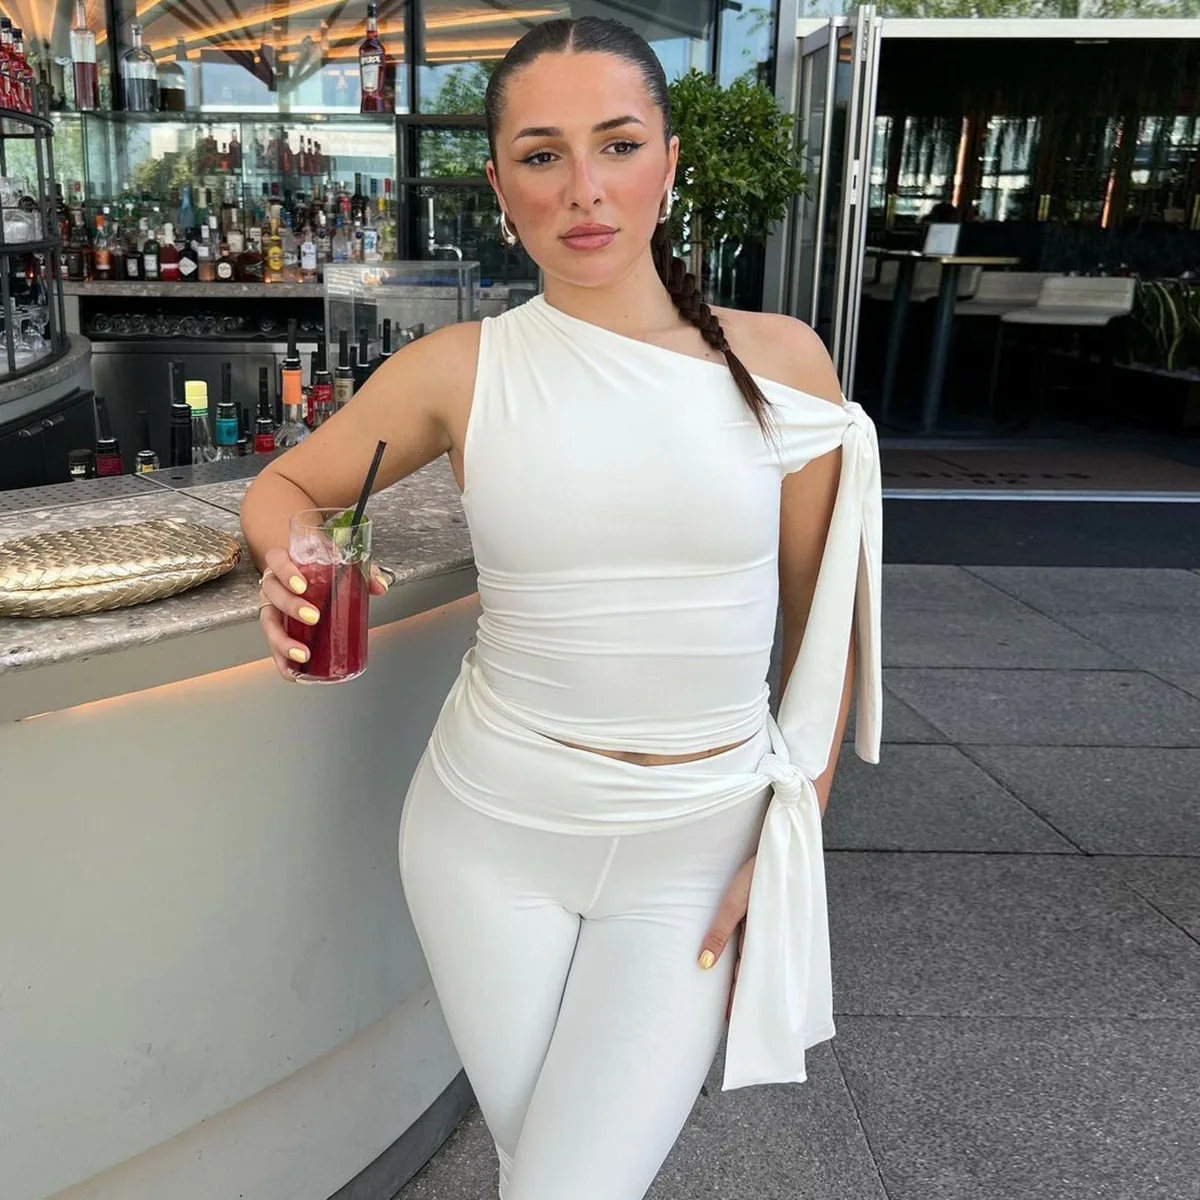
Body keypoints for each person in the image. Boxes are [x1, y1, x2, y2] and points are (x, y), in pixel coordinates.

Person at [242, 16, 883, 1200]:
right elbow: (285, 487)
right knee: (540, 1168)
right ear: (499, 184)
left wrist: (793, 837)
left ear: (669, 162)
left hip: (700, 841)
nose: (585, 189)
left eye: (618, 145)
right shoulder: (459, 368)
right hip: (485, 835)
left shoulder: (785, 363)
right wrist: (295, 560)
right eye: (542, 155)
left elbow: (823, 630)